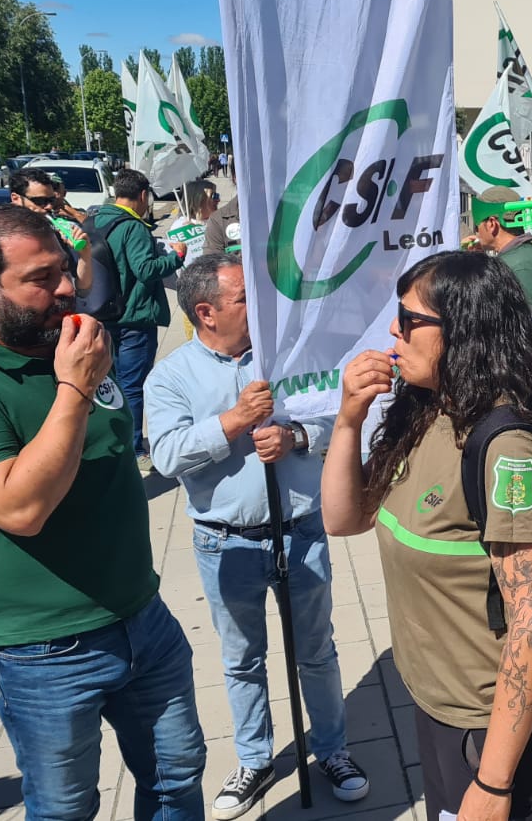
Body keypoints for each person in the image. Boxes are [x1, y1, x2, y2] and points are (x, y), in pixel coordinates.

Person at [0, 204, 206, 819]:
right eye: (41, 278)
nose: (68, 288)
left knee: (177, 777)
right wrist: (74, 388)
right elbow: (20, 508)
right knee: (66, 809)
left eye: (66, 269)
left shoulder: (72, 343)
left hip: (142, 617)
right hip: (42, 648)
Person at [322, 251, 532, 821]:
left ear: (462, 331)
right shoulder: (426, 409)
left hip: (487, 728)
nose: (393, 329)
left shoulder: (508, 453)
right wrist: (348, 419)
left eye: (409, 320)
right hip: (436, 701)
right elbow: (344, 519)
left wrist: (494, 782)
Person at [146, 254, 367, 819]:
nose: (262, 307)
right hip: (226, 543)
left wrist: (296, 435)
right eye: (246, 298)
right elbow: (167, 456)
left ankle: (332, 750)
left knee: (315, 651)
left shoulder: (287, 358)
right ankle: (254, 758)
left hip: (299, 530)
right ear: (206, 312)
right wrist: (233, 422)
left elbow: (334, 416)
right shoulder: (172, 376)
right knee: (242, 658)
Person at [94, 168, 186, 474]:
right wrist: (176, 257)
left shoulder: (95, 219)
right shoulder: (133, 228)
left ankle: (113, 441)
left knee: (111, 383)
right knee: (133, 387)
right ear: (143, 196)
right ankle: (133, 450)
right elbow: (146, 270)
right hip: (134, 318)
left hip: (103, 315)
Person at [7, 168, 93, 293]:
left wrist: (84, 255)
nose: (49, 207)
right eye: (40, 201)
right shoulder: (1, 233)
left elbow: (82, 290)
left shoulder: (55, 234)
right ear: (16, 198)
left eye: (51, 200)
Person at [472, 185, 532, 315]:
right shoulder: (517, 258)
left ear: (492, 224)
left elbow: (525, 326)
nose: (476, 233)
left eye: (477, 226)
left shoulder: (520, 268)